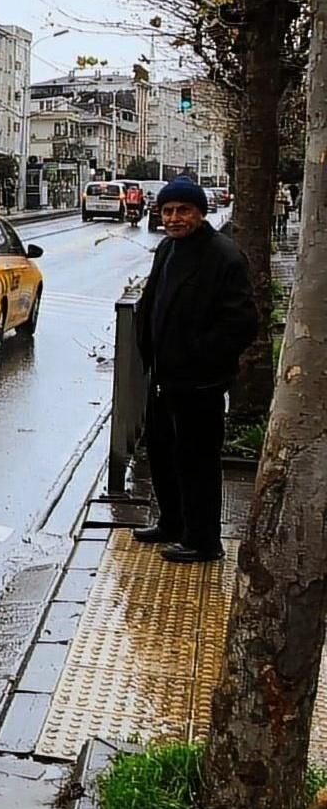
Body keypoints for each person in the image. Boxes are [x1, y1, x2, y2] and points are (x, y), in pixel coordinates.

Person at [133, 177, 260, 562]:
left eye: (183, 211)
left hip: (199, 381)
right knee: (162, 452)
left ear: (200, 213)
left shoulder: (223, 256)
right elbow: (153, 298)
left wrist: (201, 356)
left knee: (197, 461)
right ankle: (172, 522)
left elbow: (241, 323)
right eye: (168, 211)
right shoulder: (168, 249)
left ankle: (204, 540)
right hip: (164, 375)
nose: (174, 218)